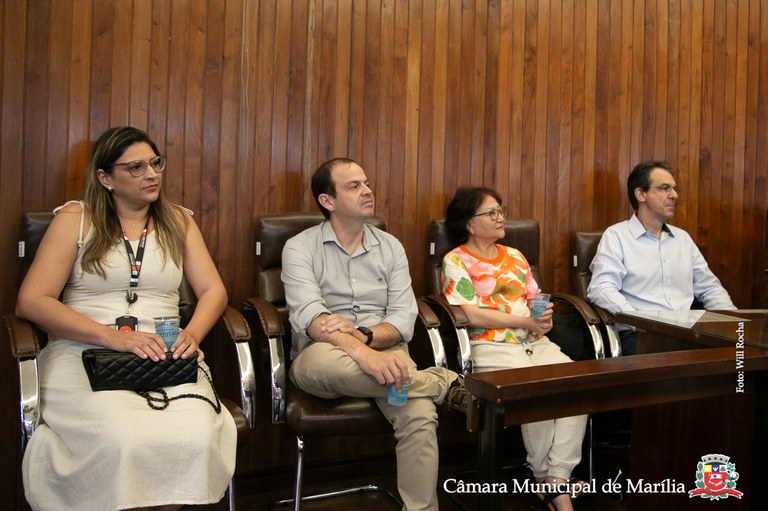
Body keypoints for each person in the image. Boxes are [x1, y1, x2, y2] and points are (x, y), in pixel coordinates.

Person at [15, 126, 236, 511]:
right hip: (85, 352)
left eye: (155, 163)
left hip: (164, 354)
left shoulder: (179, 220)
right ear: (105, 178)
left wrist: (193, 335)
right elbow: (32, 302)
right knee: (124, 437)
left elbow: (214, 290)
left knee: (194, 436)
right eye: (136, 167)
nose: (152, 174)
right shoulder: (75, 219)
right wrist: (112, 337)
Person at [282, 158, 468, 511]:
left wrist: (365, 337)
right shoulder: (299, 247)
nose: (367, 191)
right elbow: (311, 317)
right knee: (353, 369)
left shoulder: (391, 247)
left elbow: (402, 319)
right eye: (354, 186)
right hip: (322, 353)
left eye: (366, 183)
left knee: (419, 416)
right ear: (327, 201)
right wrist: (361, 353)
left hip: (386, 349)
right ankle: (441, 383)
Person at [441, 187, 587, 511]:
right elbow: (470, 314)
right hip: (490, 344)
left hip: (533, 341)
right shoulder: (456, 260)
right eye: (491, 212)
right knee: (534, 388)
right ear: (469, 223)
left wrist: (542, 316)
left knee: (577, 384)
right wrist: (524, 322)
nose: (500, 217)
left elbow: (535, 298)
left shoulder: (516, 256)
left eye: (501, 210)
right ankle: (546, 479)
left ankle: (557, 478)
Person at [587, 160, 736, 355]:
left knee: (740, 361)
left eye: (674, 189)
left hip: (690, 334)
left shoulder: (682, 239)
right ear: (641, 194)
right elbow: (601, 288)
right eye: (665, 188)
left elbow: (710, 288)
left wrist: (734, 324)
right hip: (643, 336)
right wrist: (644, 323)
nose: (674, 195)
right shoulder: (616, 236)